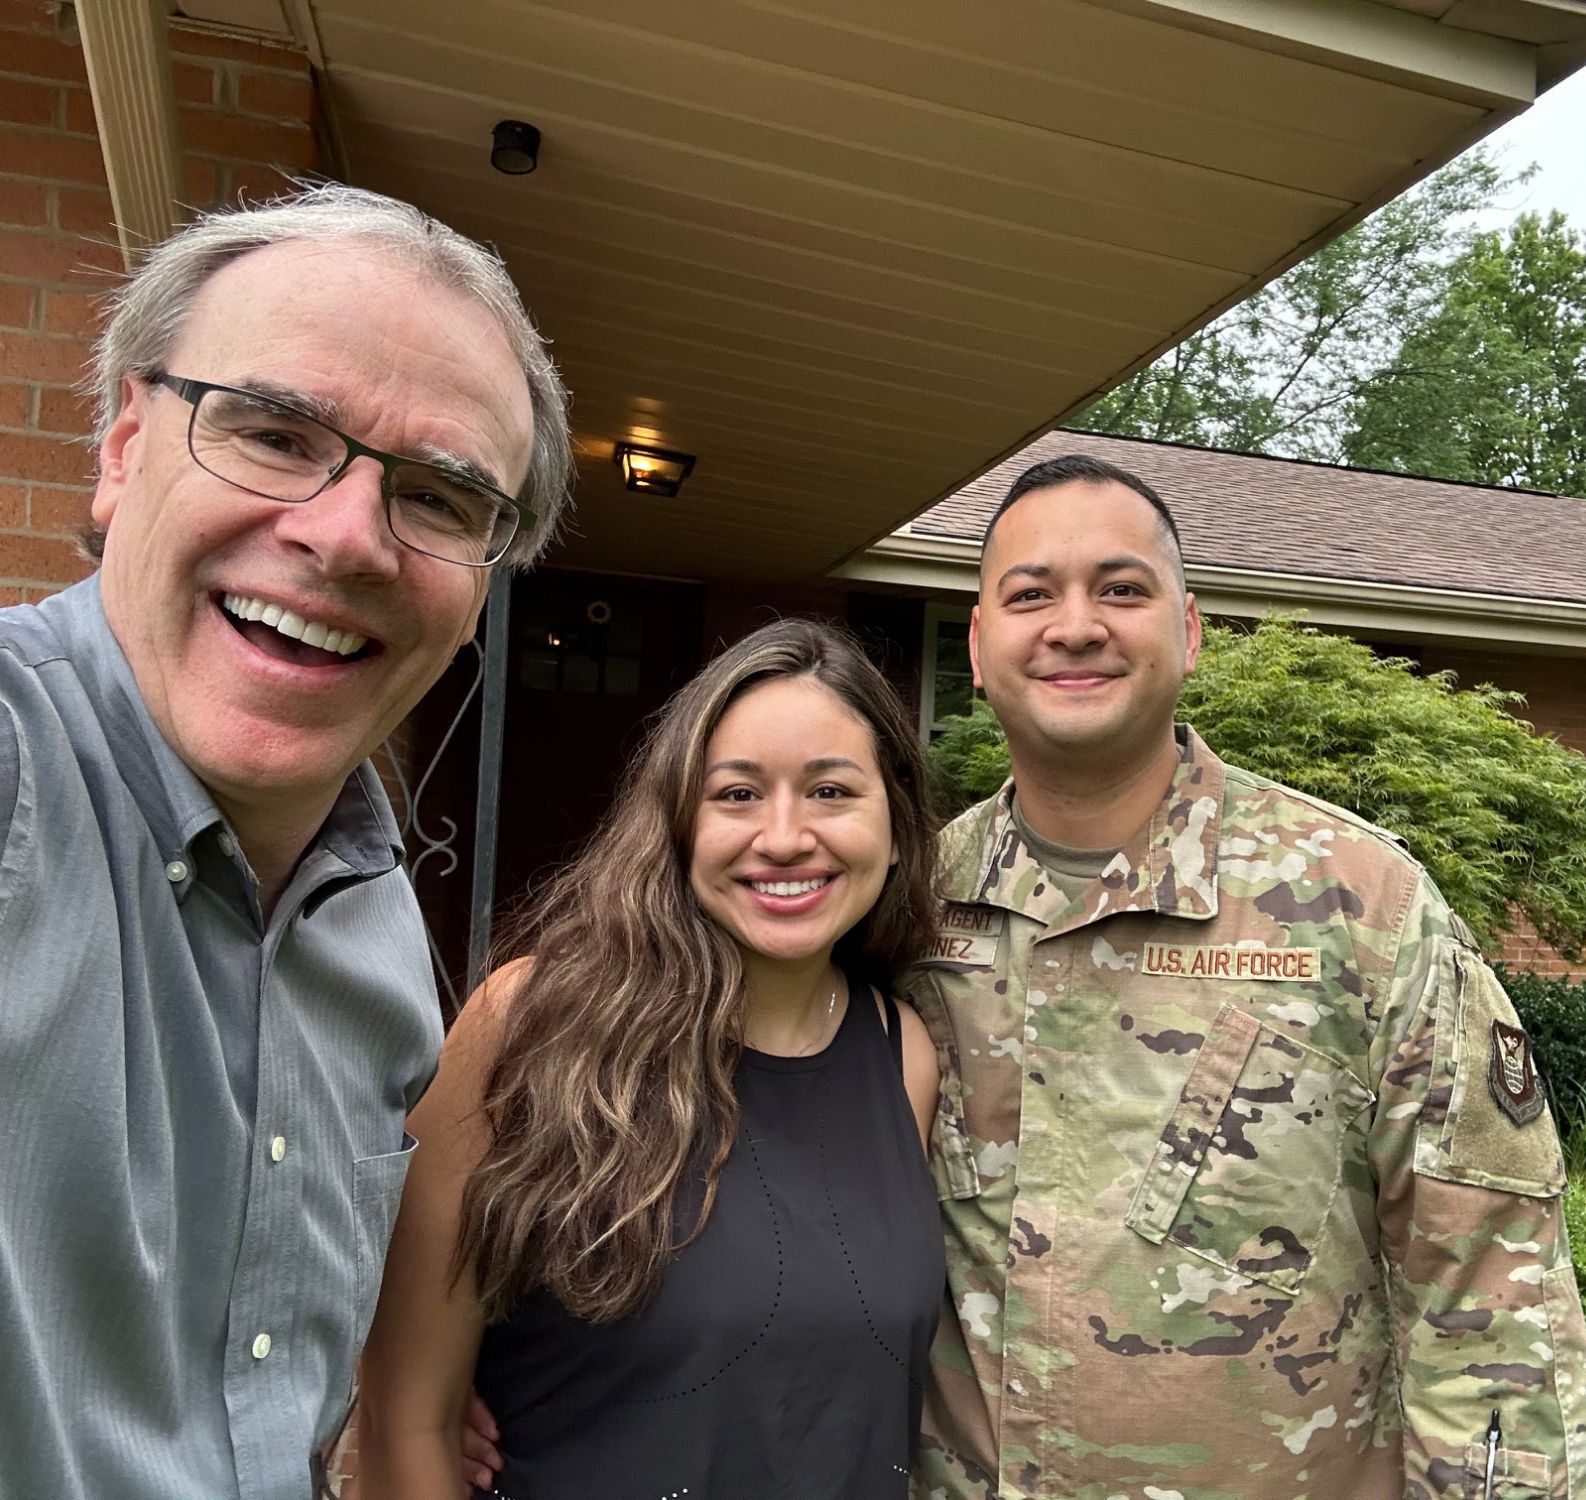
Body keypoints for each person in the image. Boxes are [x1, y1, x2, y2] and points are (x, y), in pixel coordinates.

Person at [0, 184, 571, 1499]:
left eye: (437, 499)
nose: (344, 535)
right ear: (123, 447)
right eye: (271, 433)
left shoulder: (373, 934)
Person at [903, 453, 1586, 1498]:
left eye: (1121, 590)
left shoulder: (1363, 906)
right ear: (979, 647)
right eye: (1029, 593)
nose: (1073, 623)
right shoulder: (903, 909)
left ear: (1186, 633)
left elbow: (1488, 1291)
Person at [357, 618, 945, 1498]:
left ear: (895, 826)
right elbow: (409, 1424)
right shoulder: (529, 1026)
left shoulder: (904, 1056)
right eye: (737, 795)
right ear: (676, 821)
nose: (783, 837)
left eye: (830, 793)